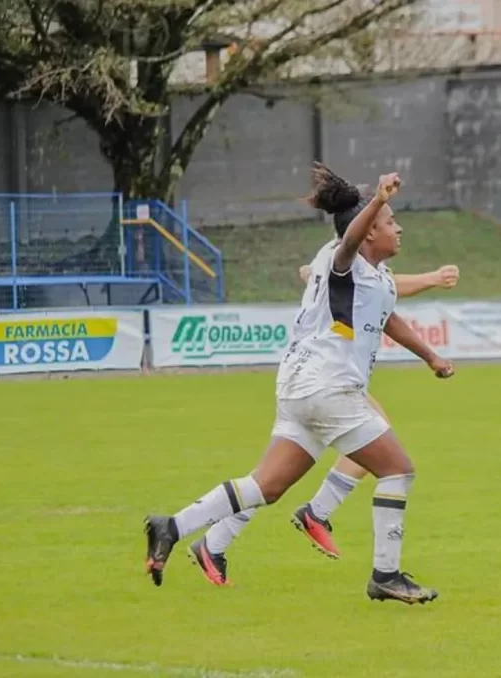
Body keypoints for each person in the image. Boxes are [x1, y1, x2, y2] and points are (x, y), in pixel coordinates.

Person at [144, 163, 455, 605]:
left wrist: (431, 357)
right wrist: (379, 200)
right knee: (398, 470)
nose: (397, 228)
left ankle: (171, 527)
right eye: (390, 222)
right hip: (327, 388)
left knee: (265, 487)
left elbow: (389, 319)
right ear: (369, 232)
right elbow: (348, 242)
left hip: (300, 387)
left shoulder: (375, 276)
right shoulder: (343, 257)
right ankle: (384, 574)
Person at [195, 262, 460, 587]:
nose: (396, 229)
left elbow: (382, 287)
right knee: (370, 454)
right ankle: (312, 515)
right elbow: (317, 273)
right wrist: (431, 278)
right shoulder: (347, 249)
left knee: (274, 477)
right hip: (322, 378)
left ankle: (221, 539)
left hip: (332, 378)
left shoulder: (366, 262)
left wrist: (429, 280)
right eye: (389, 221)